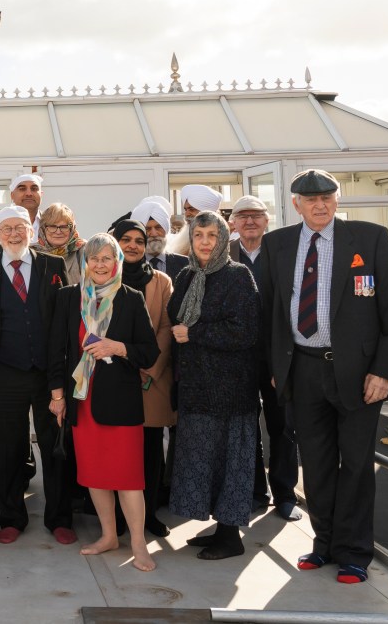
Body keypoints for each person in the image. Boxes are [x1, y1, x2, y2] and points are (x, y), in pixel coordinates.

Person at [255, 170, 388, 584]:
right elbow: (269, 313)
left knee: (356, 464)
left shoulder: (370, 238)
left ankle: (355, 553)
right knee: (317, 465)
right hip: (302, 369)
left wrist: (383, 370)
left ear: (338, 200)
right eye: (310, 199)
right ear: (295, 204)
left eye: (327, 197)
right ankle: (324, 544)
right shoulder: (277, 244)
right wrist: (274, 368)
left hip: (359, 375)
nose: (319, 205)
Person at [50, 233, 160, 571]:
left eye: (106, 258)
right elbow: (56, 350)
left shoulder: (130, 298)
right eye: (94, 258)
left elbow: (149, 351)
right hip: (83, 401)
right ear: (85, 263)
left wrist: (117, 347)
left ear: (117, 263)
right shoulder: (69, 298)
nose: (100, 264)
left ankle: (139, 544)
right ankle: (109, 535)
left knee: (128, 478)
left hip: (121, 401)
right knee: (95, 475)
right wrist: (57, 397)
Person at [0, 205, 74, 545]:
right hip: (2, 376)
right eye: (6, 228)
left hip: (47, 376)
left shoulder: (52, 266)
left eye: (20, 227)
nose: (14, 234)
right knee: (7, 449)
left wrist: (61, 373)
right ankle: (12, 516)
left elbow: (65, 320)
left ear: (32, 231)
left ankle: (59, 518)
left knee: (55, 447)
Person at [167, 211, 259, 560]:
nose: (205, 242)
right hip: (196, 387)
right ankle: (218, 528)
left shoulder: (238, 276)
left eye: (212, 235)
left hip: (230, 390)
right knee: (203, 459)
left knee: (229, 461)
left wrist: (195, 333)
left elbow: (244, 331)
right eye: (199, 235)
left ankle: (230, 536)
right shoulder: (188, 275)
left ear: (224, 239)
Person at [230, 195, 302, 523]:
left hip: (278, 356)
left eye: (256, 216)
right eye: (242, 216)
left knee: (283, 426)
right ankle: (255, 491)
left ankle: (285, 495)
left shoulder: (283, 253)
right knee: (246, 428)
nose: (249, 222)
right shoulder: (222, 253)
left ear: (267, 220)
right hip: (238, 356)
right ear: (232, 222)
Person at [113, 218, 174, 537]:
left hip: (152, 379)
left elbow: (166, 326)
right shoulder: (102, 276)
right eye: (126, 239)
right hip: (112, 377)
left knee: (150, 451)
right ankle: (119, 518)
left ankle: (149, 514)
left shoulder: (161, 281)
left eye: (139, 240)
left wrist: (150, 368)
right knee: (119, 451)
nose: (134, 245)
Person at [133, 199, 188, 281]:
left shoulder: (185, 263)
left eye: (158, 227)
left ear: (166, 229)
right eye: (147, 229)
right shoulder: (131, 265)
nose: (154, 234)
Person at [34, 203, 84, 283]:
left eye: (64, 227)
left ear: (72, 229)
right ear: (43, 229)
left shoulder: (83, 251)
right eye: (52, 226)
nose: (58, 232)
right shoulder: (32, 253)